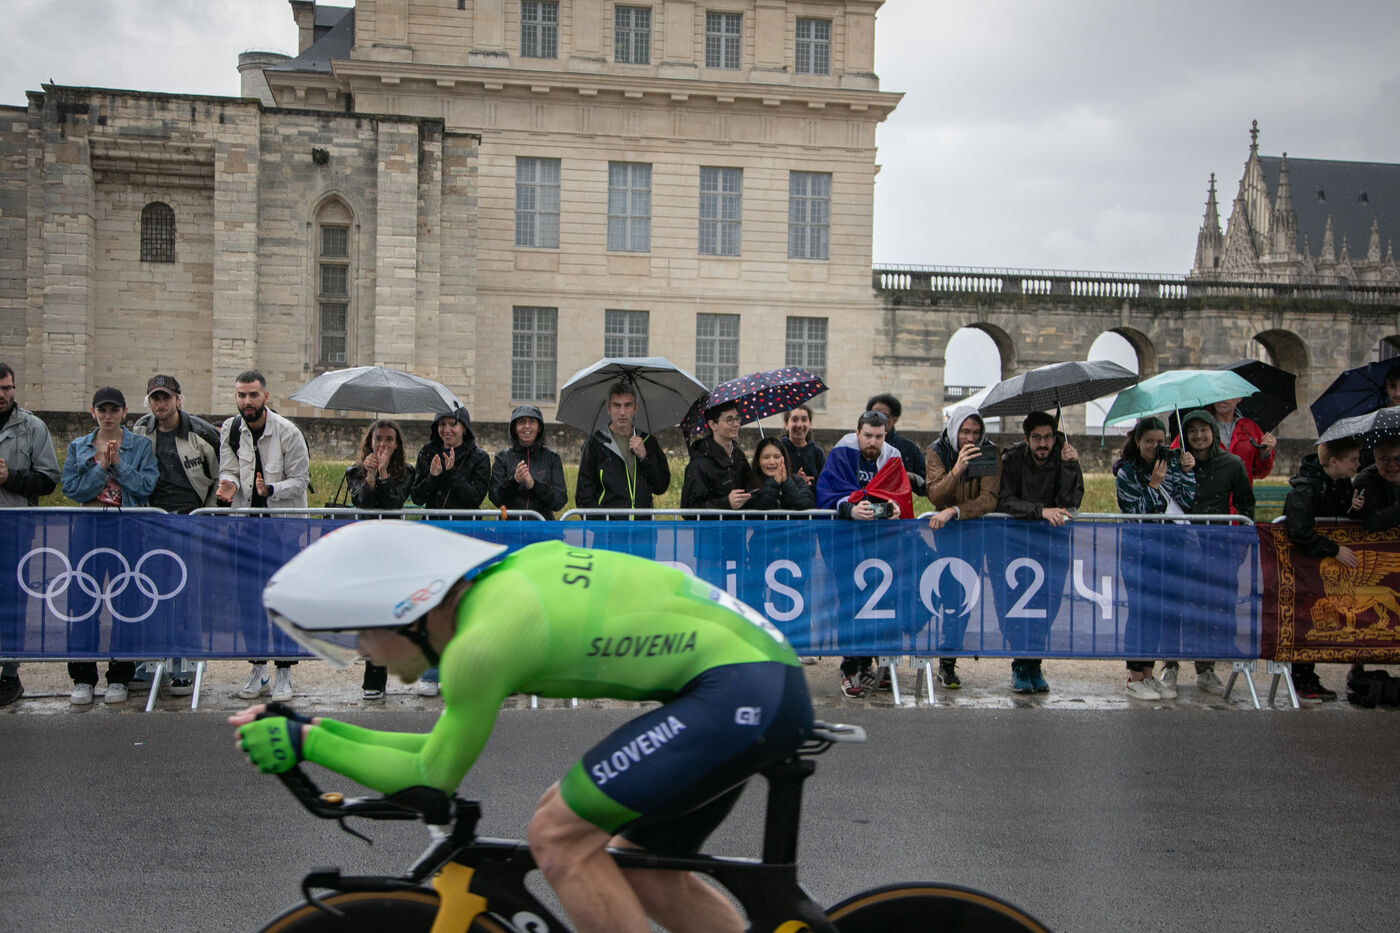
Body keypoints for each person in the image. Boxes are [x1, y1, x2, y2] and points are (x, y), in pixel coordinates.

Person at [232, 521, 813, 933]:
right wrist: (311, 732)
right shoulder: (497, 587)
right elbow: (434, 752)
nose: (361, 649)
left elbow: (430, 776)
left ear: (407, 611)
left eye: (361, 631)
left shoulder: (479, 646)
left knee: (558, 837)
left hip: (740, 689)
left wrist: (307, 741)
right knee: (644, 869)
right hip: (753, 682)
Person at [217, 370, 312, 703]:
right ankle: (258, 670)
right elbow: (228, 469)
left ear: (265, 397)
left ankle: (284, 672)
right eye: (242, 395)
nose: (247, 401)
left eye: (253, 395)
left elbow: (301, 481)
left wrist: (270, 489)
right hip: (245, 529)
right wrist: (228, 484)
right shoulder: (230, 430)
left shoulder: (288, 432)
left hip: (282, 531)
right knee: (249, 602)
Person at [61, 387, 159, 705]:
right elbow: (72, 488)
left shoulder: (140, 446)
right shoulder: (79, 446)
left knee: (125, 602)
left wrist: (119, 465)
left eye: (114, 410)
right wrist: (100, 467)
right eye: (102, 410)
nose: (108, 416)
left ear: (124, 412)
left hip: (126, 528)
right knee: (82, 602)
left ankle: (120, 676)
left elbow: (146, 486)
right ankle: (83, 677)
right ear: (93, 412)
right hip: (88, 528)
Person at [130, 373, 222, 696]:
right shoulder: (140, 429)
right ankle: (149, 664)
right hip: (152, 522)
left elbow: (221, 476)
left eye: (166, 397)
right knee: (149, 593)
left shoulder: (202, 432)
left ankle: (186, 666)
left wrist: (206, 514)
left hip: (189, 522)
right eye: (155, 398)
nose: (161, 404)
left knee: (188, 595)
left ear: (178, 399)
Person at [816, 410, 908, 697]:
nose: (873, 442)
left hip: (881, 545)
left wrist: (895, 508)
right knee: (850, 604)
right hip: (848, 543)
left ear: (886, 435)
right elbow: (827, 493)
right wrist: (850, 508)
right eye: (867, 436)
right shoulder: (842, 453)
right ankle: (850, 667)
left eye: (879, 436)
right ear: (857, 433)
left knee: (881, 604)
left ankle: (870, 662)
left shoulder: (892, 456)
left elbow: (900, 494)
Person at [996, 411, 1084, 694]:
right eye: (1037, 438)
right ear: (1027, 439)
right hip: (1015, 543)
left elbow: (1072, 501)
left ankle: (1035, 662)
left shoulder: (1065, 457)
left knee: (1049, 602)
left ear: (1055, 438)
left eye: (1048, 437)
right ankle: (1020, 664)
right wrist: (1040, 511)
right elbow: (1004, 500)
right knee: (1015, 604)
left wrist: (1070, 466)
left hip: (1053, 543)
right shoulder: (1011, 459)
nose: (1043, 443)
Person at [1170, 409, 1256, 695]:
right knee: (1176, 606)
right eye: (1192, 431)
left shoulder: (1232, 464)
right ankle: (1170, 665)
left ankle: (1205, 669)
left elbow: (1246, 503)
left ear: (1213, 432)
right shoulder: (1176, 463)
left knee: (1215, 605)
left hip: (1218, 546)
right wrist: (1181, 470)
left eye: (1203, 430)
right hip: (1181, 545)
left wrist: (1241, 540)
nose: (1198, 436)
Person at [1113, 416, 1196, 700]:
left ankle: (1149, 674)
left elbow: (1186, 502)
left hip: (1168, 549)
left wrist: (1187, 473)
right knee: (1140, 611)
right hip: (1138, 551)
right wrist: (1153, 485)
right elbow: (1134, 511)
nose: (1154, 446)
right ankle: (1135, 675)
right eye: (1148, 441)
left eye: (1160, 441)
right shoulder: (1126, 472)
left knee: (1158, 612)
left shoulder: (1172, 464)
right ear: (1137, 442)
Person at [924, 404, 1001, 689]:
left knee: (964, 594)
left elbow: (989, 498)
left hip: (974, 529)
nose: (970, 438)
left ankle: (949, 659)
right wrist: (957, 470)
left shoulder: (988, 452)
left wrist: (956, 510)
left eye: (976, 432)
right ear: (954, 429)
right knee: (946, 592)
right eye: (965, 431)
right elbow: (935, 494)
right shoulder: (937, 451)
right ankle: (939, 654)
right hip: (945, 533)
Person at [1284, 437, 1364, 700]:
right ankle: (1300, 678)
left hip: (1322, 566)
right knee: (1305, 619)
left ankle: (1309, 677)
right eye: (1353, 460)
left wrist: (1353, 509)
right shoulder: (1306, 488)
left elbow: (1339, 517)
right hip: (1304, 565)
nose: (1357, 465)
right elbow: (1299, 531)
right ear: (1334, 461)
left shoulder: (1341, 484)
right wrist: (1334, 549)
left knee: (1318, 619)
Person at [0, 362, 61, 706]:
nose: (2, 394)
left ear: (14, 388)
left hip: (14, 528)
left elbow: (49, 479)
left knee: (12, 601)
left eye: (6, 388)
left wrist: (10, 478)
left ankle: (10, 673)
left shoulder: (33, 427)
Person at [344, 419, 417, 701]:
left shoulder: (406, 472)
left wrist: (384, 474)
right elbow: (362, 502)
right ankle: (373, 676)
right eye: (378, 439)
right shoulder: (354, 471)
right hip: (365, 547)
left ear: (397, 445)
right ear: (369, 442)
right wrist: (371, 477)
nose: (383, 444)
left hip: (393, 548)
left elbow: (393, 504)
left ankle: (386, 672)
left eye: (389, 439)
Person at [575, 382, 671, 512]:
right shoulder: (595, 443)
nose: (622, 412)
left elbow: (661, 486)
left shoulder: (648, 441)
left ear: (635, 408)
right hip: (608, 523)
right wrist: (602, 521)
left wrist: (645, 458)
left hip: (642, 523)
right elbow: (583, 494)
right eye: (617, 405)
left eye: (628, 405)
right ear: (608, 408)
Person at [489, 405, 567, 520]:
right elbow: (495, 498)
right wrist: (514, 481)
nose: (527, 426)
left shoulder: (552, 458)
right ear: (514, 428)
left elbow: (559, 500)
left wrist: (534, 486)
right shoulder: (502, 458)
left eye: (532, 421)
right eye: (521, 422)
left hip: (542, 527)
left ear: (539, 428)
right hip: (511, 527)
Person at [411, 406, 491, 512]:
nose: (447, 430)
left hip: (464, 521)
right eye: (442, 424)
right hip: (433, 520)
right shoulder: (428, 453)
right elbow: (417, 498)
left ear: (464, 428)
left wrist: (452, 472)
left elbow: (475, 498)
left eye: (453, 424)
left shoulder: (479, 457)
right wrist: (432, 477)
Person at [680, 402, 754, 513]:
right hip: (714, 525)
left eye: (737, 418)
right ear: (713, 424)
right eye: (729, 420)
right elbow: (689, 508)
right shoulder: (699, 463)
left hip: (739, 524)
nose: (736, 424)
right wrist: (726, 503)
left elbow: (750, 490)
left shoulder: (739, 456)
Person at [867, 393, 927, 497]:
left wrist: (907, 476)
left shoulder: (909, 448)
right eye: (873, 414)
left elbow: (925, 485)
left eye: (884, 415)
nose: (877, 419)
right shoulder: (855, 445)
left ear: (895, 420)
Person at [1207, 397, 1276, 482]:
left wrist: (1265, 454)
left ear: (1239, 398)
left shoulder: (1250, 428)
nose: (1223, 398)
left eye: (1229, 394)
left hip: (1241, 490)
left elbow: (1260, 472)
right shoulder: (1200, 427)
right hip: (1209, 489)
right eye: (1218, 394)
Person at [748, 436, 816, 511]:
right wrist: (774, 483)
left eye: (776, 457)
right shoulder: (750, 483)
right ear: (758, 461)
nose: (772, 462)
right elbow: (755, 507)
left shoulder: (797, 481)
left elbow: (807, 504)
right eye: (766, 457)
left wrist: (786, 483)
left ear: (784, 459)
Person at [779, 404, 825, 491]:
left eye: (804, 420)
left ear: (810, 423)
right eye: (794, 420)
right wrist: (796, 481)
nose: (799, 425)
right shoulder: (778, 450)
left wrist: (809, 485)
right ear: (786, 424)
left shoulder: (817, 453)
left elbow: (824, 486)